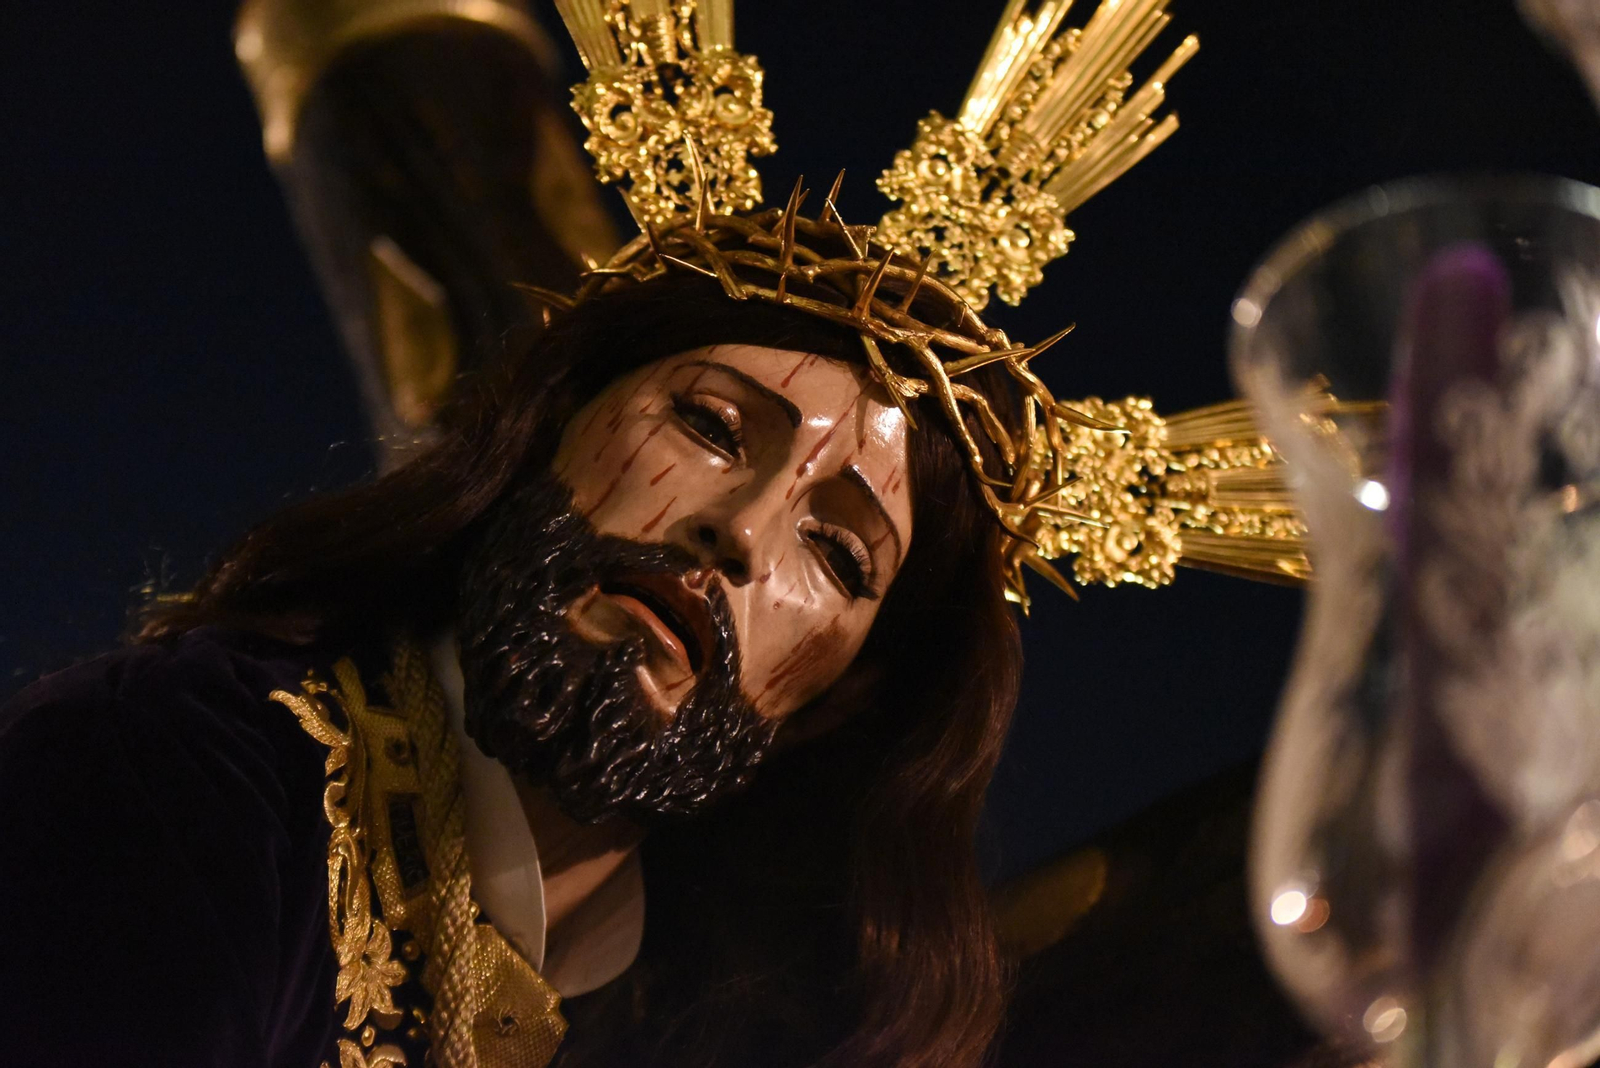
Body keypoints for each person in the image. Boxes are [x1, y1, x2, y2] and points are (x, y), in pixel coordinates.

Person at [0, 1, 1309, 1065]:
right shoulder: (188, 789)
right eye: (714, 429)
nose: (742, 533)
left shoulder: (747, 1015)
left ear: (849, 693)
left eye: (841, 553)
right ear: (545, 431)